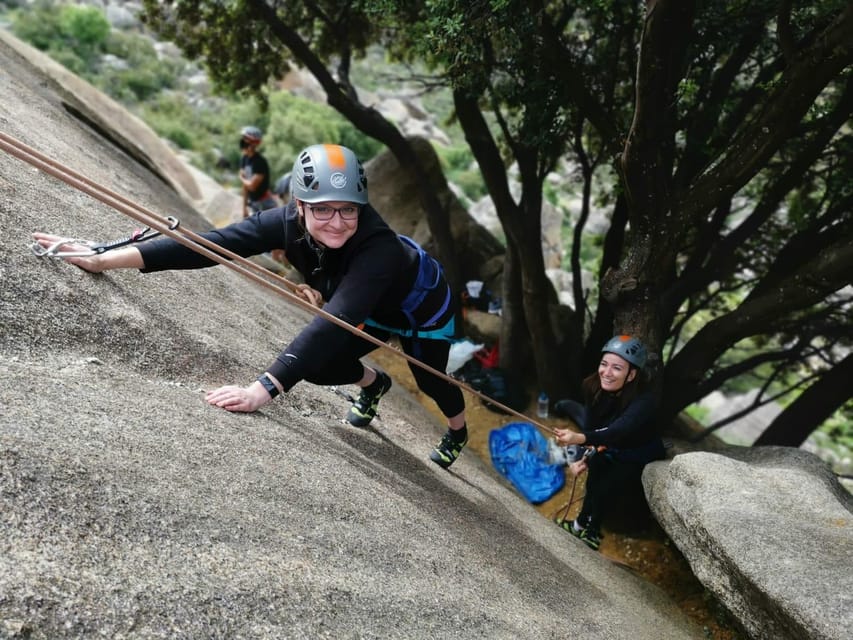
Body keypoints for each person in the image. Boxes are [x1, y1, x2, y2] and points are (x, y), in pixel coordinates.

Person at [32, 144, 469, 469]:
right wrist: (105, 257)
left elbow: (335, 322)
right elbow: (210, 246)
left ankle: (458, 431)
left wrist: (260, 391)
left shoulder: (379, 250)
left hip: (421, 311)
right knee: (316, 367)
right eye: (323, 211)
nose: (337, 222)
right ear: (298, 205)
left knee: (430, 381)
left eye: (348, 211)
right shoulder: (282, 224)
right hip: (367, 305)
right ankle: (373, 383)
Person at [551, 335, 665, 550]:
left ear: (631, 375)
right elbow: (594, 426)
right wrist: (585, 455)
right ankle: (579, 524)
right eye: (604, 364)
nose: (606, 372)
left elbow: (619, 430)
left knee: (606, 485)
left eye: (617, 368)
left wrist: (580, 439)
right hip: (609, 443)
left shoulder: (644, 401)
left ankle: (593, 532)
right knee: (595, 473)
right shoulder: (593, 386)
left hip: (637, 451)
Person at [239, 126, 277, 218]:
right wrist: (244, 208)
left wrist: (241, 178)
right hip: (254, 203)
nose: (243, 141)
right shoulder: (244, 159)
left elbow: (252, 186)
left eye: (246, 139)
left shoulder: (259, 162)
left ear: (254, 143)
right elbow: (245, 186)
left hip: (265, 204)